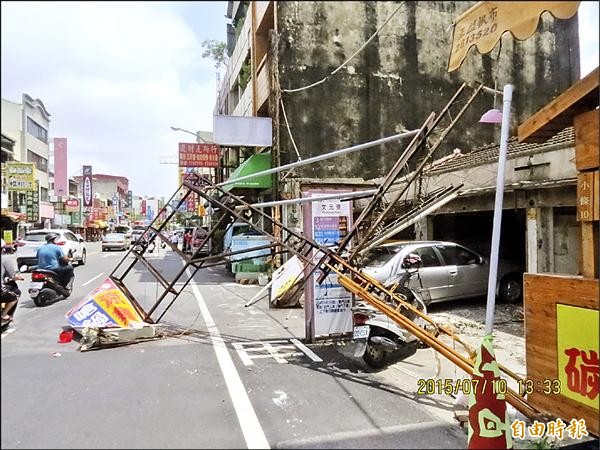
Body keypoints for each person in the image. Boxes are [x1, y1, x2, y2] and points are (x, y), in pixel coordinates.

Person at [1, 239, 23, 325]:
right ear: (3, 248)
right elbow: (13, 276)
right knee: (16, 294)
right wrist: (19, 278)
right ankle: (3, 314)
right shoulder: (5, 259)